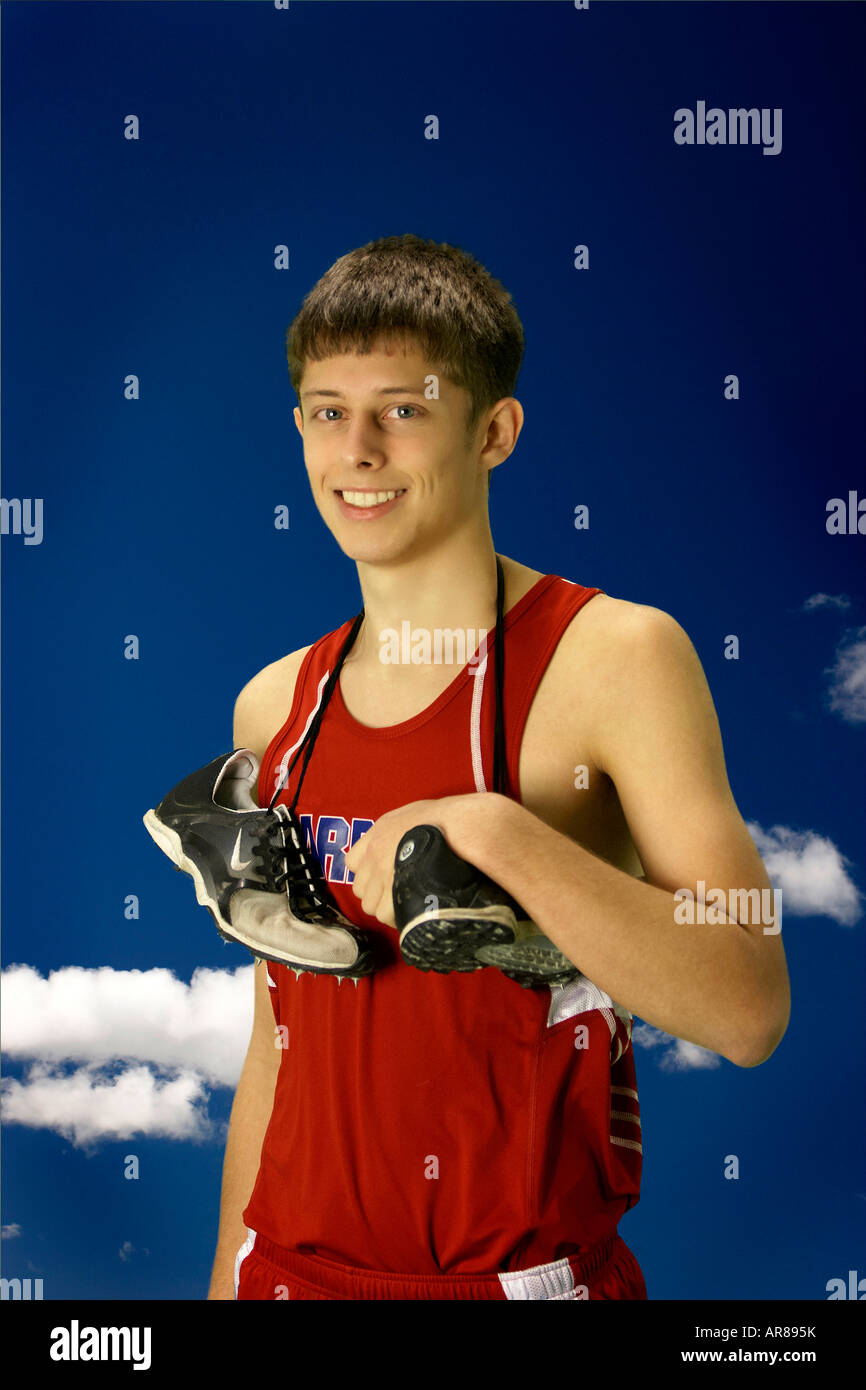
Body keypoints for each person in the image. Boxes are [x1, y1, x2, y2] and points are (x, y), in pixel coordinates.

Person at [201, 233, 790, 1300]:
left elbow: (748, 1002)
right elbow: (275, 1044)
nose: (359, 449)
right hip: (287, 1277)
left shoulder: (612, 657)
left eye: (403, 408)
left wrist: (497, 831)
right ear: (298, 432)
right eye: (328, 412)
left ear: (494, 431)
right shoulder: (275, 702)